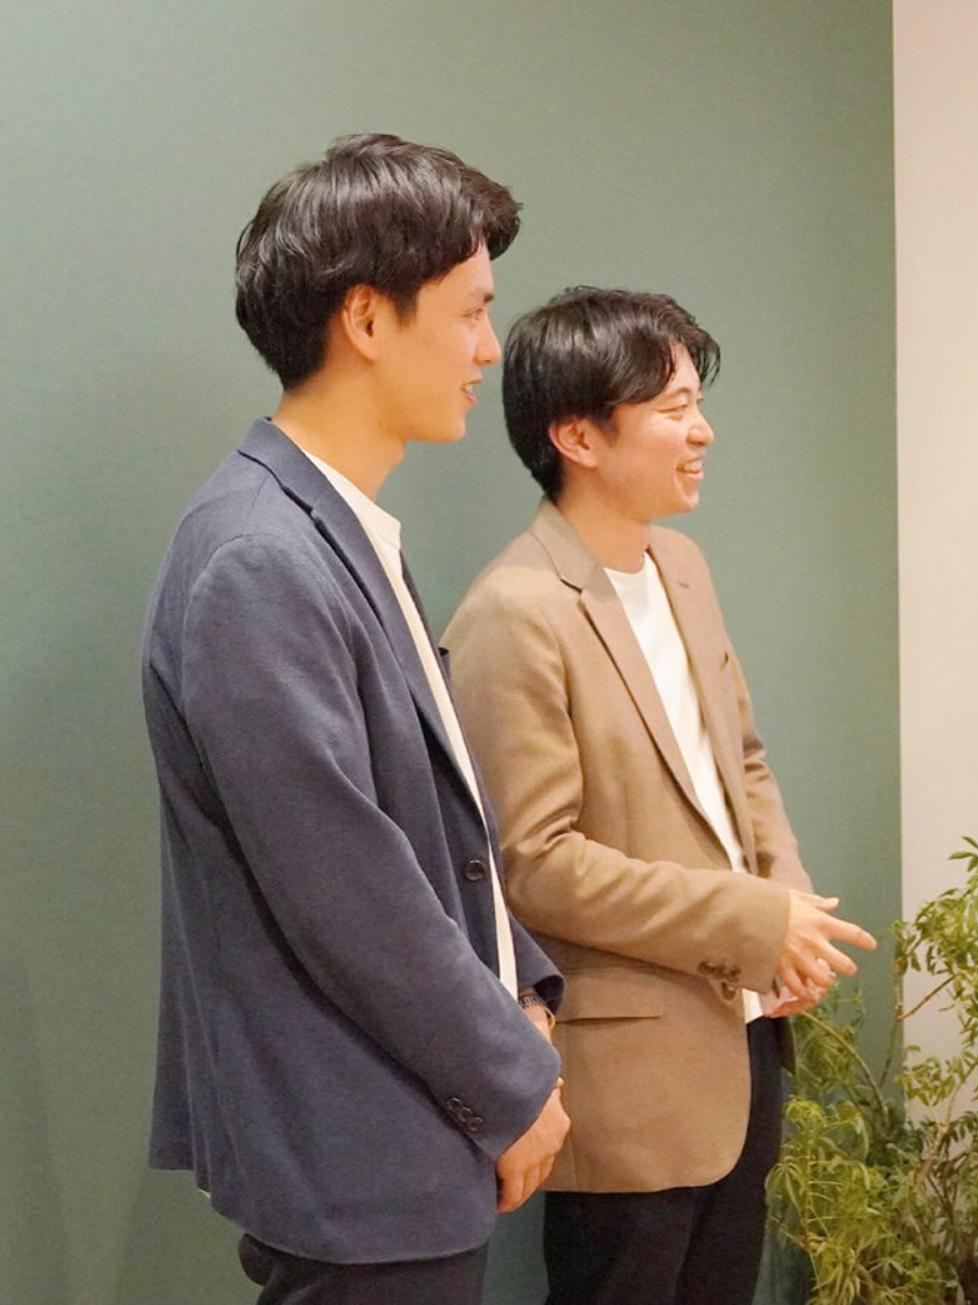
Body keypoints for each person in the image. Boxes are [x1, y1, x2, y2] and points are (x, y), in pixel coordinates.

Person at [140, 134, 569, 1303]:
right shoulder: (260, 556)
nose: (489, 348)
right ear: (368, 319)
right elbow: (345, 890)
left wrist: (523, 996)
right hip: (358, 1154)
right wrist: (515, 1075)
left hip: (400, 1136)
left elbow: (434, 828)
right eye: (471, 311)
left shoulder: (327, 530)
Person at [443, 287, 876, 1305]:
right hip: (629, 1083)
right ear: (578, 437)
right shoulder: (514, 610)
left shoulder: (681, 566)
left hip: (743, 1043)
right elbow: (534, 862)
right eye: (674, 408)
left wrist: (789, 908)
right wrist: (748, 920)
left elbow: (742, 763)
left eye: (697, 404)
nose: (702, 431)